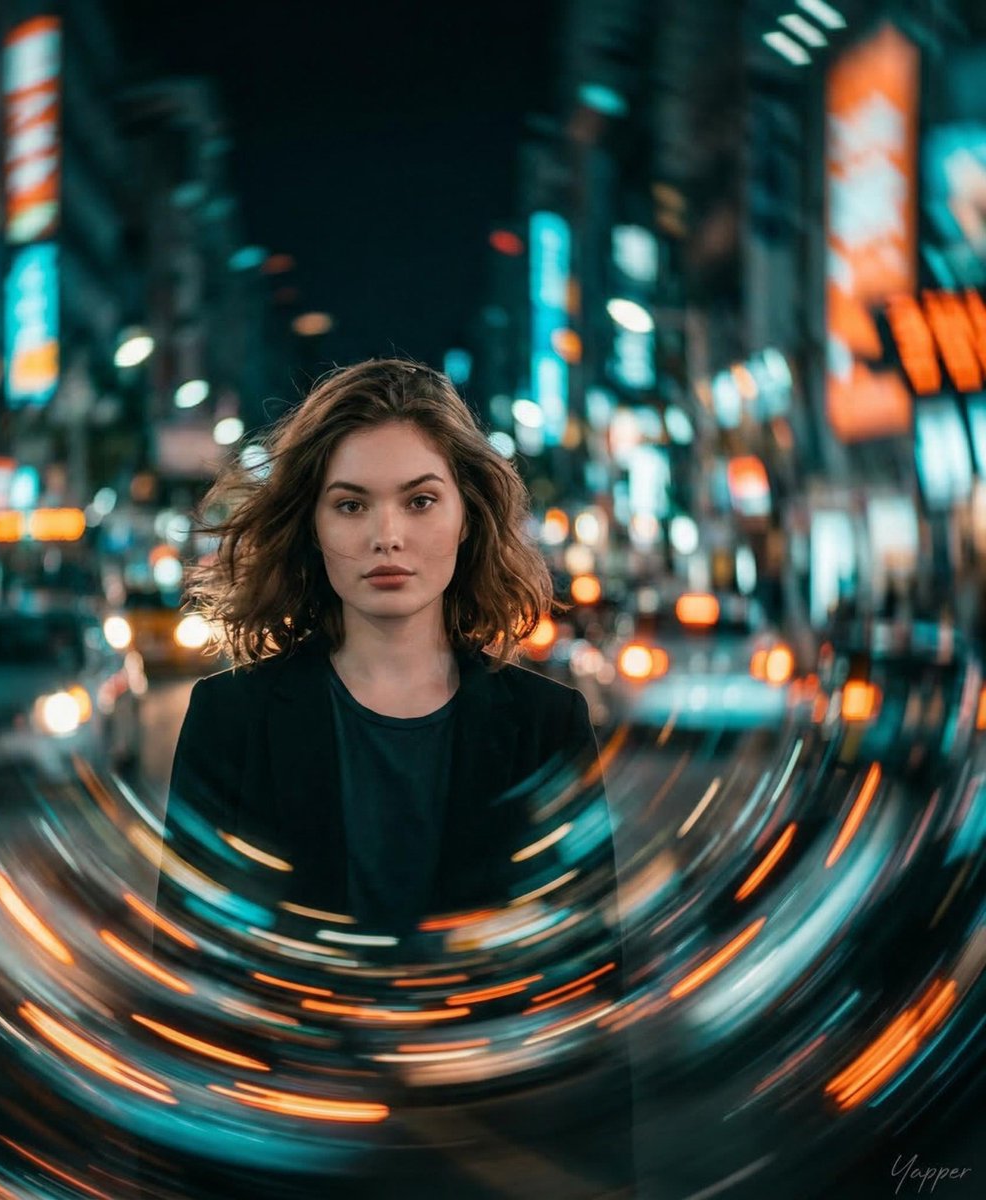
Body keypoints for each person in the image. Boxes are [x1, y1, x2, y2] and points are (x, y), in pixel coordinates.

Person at [155, 358, 635, 1196]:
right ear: (311, 524)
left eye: (419, 500)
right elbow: (191, 1002)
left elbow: (587, 1003)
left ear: (466, 516)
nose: (388, 536)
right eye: (351, 504)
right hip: (284, 1169)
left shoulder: (543, 726)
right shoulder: (232, 722)